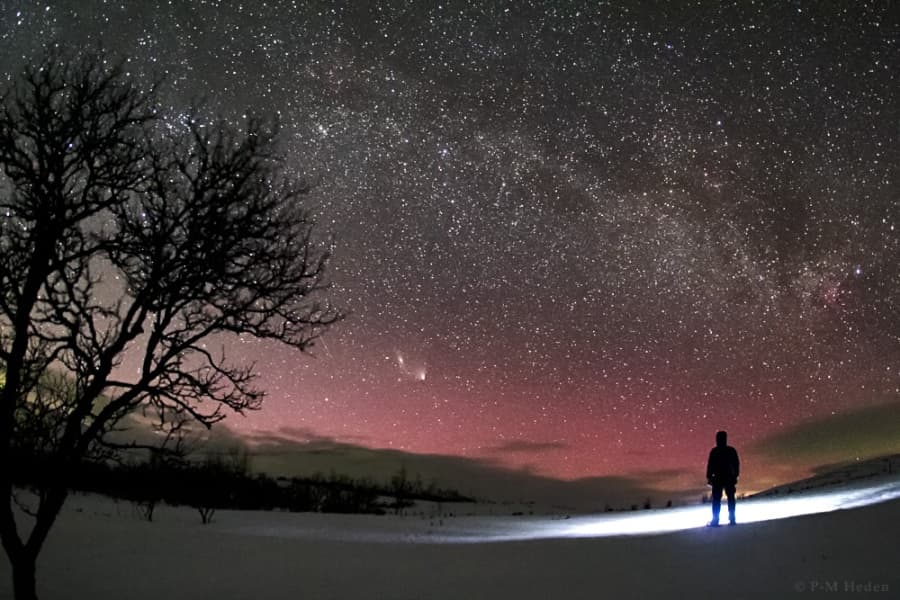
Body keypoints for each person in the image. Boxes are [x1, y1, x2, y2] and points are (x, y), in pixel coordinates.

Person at [706, 430, 740, 526]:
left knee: (717, 499)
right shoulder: (730, 450)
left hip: (719, 478)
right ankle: (731, 519)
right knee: (730, 498)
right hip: (727, 477)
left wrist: (709, 477)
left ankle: (716, 520)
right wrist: (735, 475)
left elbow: (710, 465)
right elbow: (736, 464)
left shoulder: (715, 451)